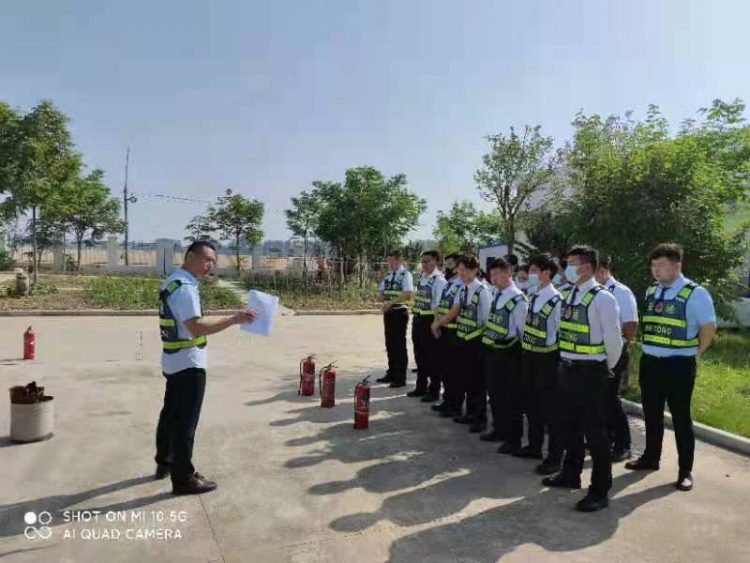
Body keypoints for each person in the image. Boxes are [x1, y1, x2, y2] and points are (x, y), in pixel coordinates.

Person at [155, 241, 256, 495]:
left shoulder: (172, 281)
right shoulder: (186, 287)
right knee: (185, 423)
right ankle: (183, 478)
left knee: (170, 415)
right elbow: (196, 328)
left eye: (213, 261)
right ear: (189, 257)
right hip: (189, 364)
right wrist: (234, 319)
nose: (210, 265)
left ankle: (165, 462)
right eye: (206, 259)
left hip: (173, 359)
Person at [625, 243, 716, 492]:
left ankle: (685, 471)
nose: (656, 270)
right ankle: (650, 457)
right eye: (653, 265)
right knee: (651, 413)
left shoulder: (694, 293)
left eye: (662, 265)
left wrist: (696, 354)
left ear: (677, 265)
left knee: (680, 418)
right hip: (651, 362)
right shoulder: (652, 291)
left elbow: (708, 327)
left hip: (679, 365)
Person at [543, 245, 622, 513]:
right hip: (567, 368)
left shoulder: (603, 298)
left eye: (571, 264)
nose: (566, 269)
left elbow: (613, 341)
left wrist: (605, 368)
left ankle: (599, 491)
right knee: (569, 425)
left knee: (595, 432)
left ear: (586, 267)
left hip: (591, 372)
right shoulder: (567, 295)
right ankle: (570, 473)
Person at [432, 255, 492, 429]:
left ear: (475, 270)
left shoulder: (482, 291)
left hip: (477, 342)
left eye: (465, 270)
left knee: (478, 383)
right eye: (460, 270)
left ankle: (479, 419)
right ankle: (470, 414)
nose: (462, 273)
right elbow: (456, 308)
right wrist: (439, 322)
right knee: (467, 379)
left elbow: (487, 320)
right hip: (463, 340)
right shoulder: (463, 289)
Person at [519, 253, 565, 475]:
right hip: (530, 356)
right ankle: (534, 446)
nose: (530, 275)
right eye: (530, 270)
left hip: (548, 360)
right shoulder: (533, 295)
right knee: (532, 405)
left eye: (534, 271)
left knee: (551, 410)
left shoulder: (556, 300)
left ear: (547, 273)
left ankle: (554, 458)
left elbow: (560, 333)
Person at [481, 257, 528, 449]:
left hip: (510, 354)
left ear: (510, 273)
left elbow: (522, 331)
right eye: (492, 274)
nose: (494, 278)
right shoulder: (497, 294)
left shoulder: (518, 299)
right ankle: (499, 429)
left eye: (499, 274)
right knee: (495, 394)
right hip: (494, 351)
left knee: (511, 397)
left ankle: (513, 438)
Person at [595, 255, 639, 462]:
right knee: (599, 400)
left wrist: (619, 348)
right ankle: (606, 439)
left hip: (615, 353)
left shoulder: (620, 292)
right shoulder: (595, 292)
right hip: (595, 354)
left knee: (611, 400)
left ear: (602, 271)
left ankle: (623, 445)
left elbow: (630, 325)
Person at [408, 250, 447, 402]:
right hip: (418, 319)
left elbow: (439, 306)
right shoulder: (422, 277)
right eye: (423, 261)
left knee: (432, 357)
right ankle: (421, 386)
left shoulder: (439, 280)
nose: (424, 264)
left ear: (436, 261)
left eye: (428, 260)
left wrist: (436, 325)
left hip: (430, 321)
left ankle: (434, 390)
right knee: (420, 356)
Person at [430, 254, 464, 418]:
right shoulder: (449, 283)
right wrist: (436, 322)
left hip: (454, 332)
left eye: (450, 264)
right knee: (445, 369)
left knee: (455, 372)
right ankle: (447, 401)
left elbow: (455, 310)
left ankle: (455, 405)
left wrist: (438, 323)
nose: (447, 267)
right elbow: (439, 305)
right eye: (446, 264)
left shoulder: (462, 285)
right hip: (444, 330)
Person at [375, 250, 415, 388]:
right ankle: (391, 372)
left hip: (399, 312)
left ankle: (400, 377)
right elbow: (381, 291)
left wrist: (390, 303)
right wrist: (380, 297)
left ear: (399, 260)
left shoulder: (406, 275)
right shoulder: (389, 276)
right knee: (390, 344)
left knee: (399, 345)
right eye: (388, 261)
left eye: (392, 261)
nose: (389, 264)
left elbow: (408, 293)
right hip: (389, 313)